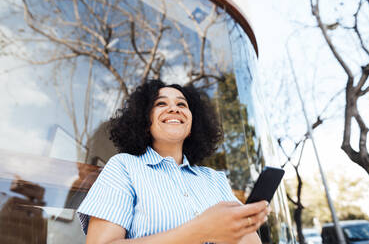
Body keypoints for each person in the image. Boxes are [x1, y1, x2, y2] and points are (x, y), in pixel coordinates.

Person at [77, 80, 270, 244]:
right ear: (145, 121)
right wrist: (201, 229)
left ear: (193, 124)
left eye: (182, 105)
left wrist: (250, 221)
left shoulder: (215, 179)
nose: (174, 109)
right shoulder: (124, 167)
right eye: (161, 104)